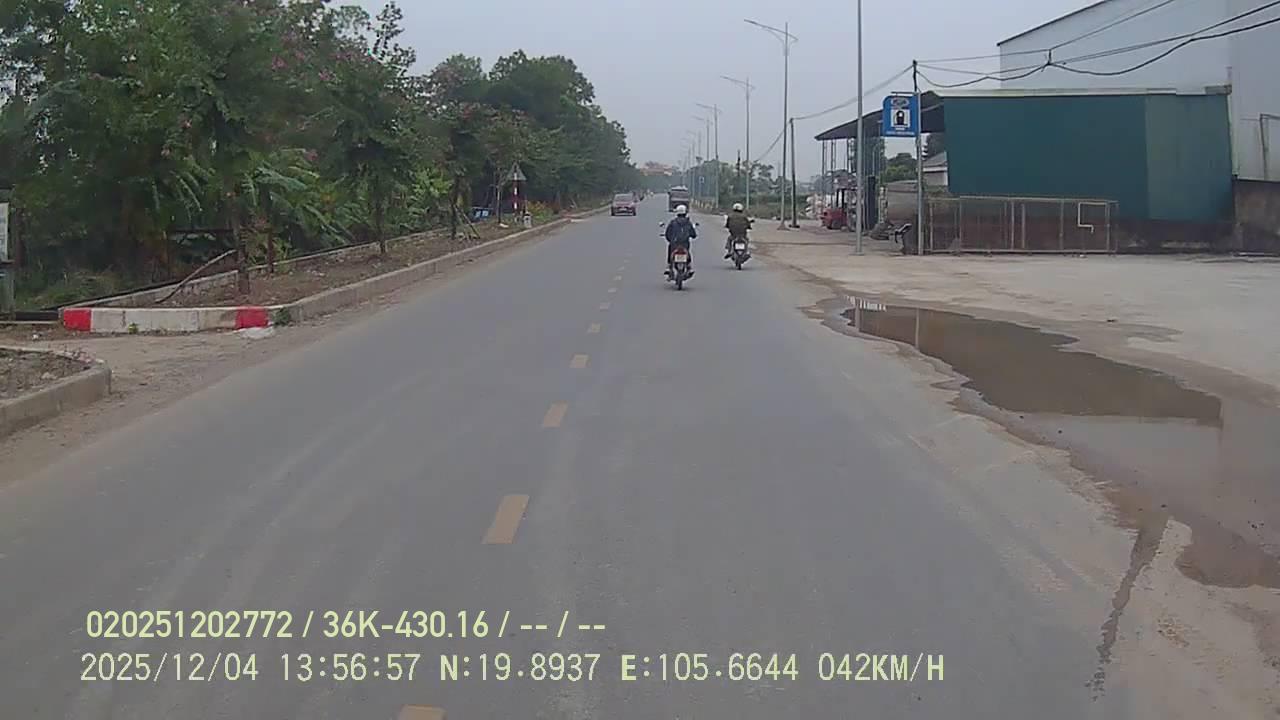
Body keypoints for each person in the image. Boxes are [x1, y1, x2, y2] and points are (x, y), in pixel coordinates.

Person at [664, 205, 697, 278]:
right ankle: (689, 266)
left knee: (670, 250)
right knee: (687, 252)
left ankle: (669, 266)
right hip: (685, 244)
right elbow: (693, 234)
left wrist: (670, 240)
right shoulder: (688, 223)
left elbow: (667, 234)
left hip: (674, 244)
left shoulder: (673, 222)